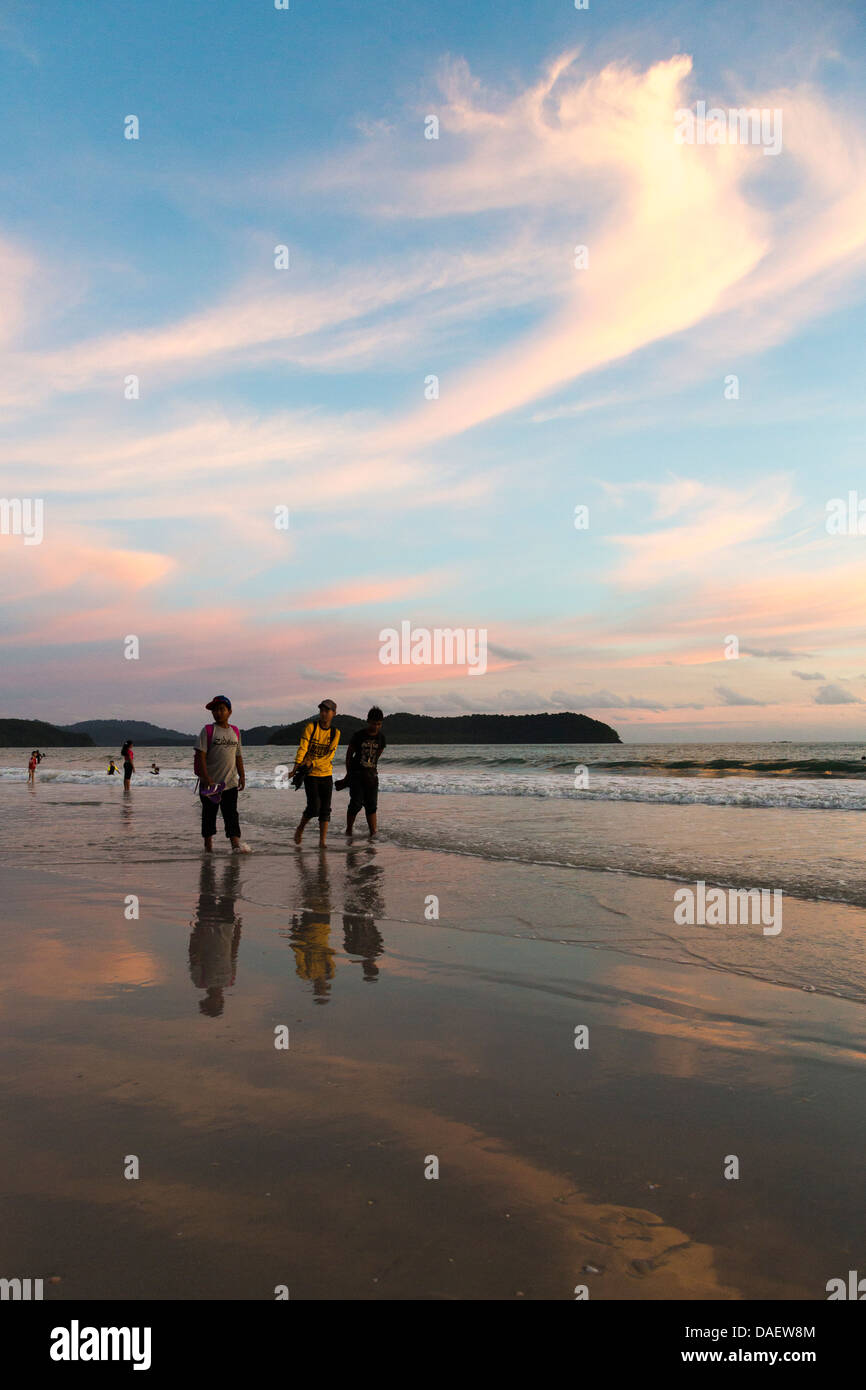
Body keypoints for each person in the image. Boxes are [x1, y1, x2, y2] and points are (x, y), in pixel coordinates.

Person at [196, 695, 249, 853]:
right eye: (214, 710)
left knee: (231, 815)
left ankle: (235, 846)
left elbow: (238, 755)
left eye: (221, 709)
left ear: (229, 712)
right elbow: (201, 756)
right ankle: (208, 848)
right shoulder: (208, 730)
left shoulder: (235, 731)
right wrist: (206, 778)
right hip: (211, 783)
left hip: (230, 783)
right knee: (209, 816)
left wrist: (242, 775)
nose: (217, 713)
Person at [292, 699, 340, 848]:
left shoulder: (335, 733)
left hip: (326, 773)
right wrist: (296, 767)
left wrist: (313, 762)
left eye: (327, 711)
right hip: (311, 775)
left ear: (334, 713)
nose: (324, 714)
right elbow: (303, 747)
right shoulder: (311, 728)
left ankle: (322, 842)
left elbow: (329, 757)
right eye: (322, 711)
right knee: (314, 808)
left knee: (325, 809)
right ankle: (300, 828)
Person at [341, 706, 386, 838]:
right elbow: (349, 755)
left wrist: (372, 770)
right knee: (356, 803)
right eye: (373, 723)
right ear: (368, 721)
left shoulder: (381, 738)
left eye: (379, 724)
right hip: (356, 775)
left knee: (371, 805)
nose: (376, 727)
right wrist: (348, 774)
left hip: (372, 776)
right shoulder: (358, 735)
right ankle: (349, 830)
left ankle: (373, 833)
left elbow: (377, 756)